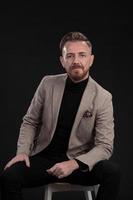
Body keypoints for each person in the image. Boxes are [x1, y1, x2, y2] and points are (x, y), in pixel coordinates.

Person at [0, 31, 121, 200]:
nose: (76, 61)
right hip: (44, 159)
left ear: (91, 59)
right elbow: (30, 121)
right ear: (62, 61)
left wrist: (74, 164)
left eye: (82, 55)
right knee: (9, 177)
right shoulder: (47, 84)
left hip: (79, 164)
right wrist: (22, 151)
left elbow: (105, 146)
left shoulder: (103, 97)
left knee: (112, 172)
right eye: (69, 56)